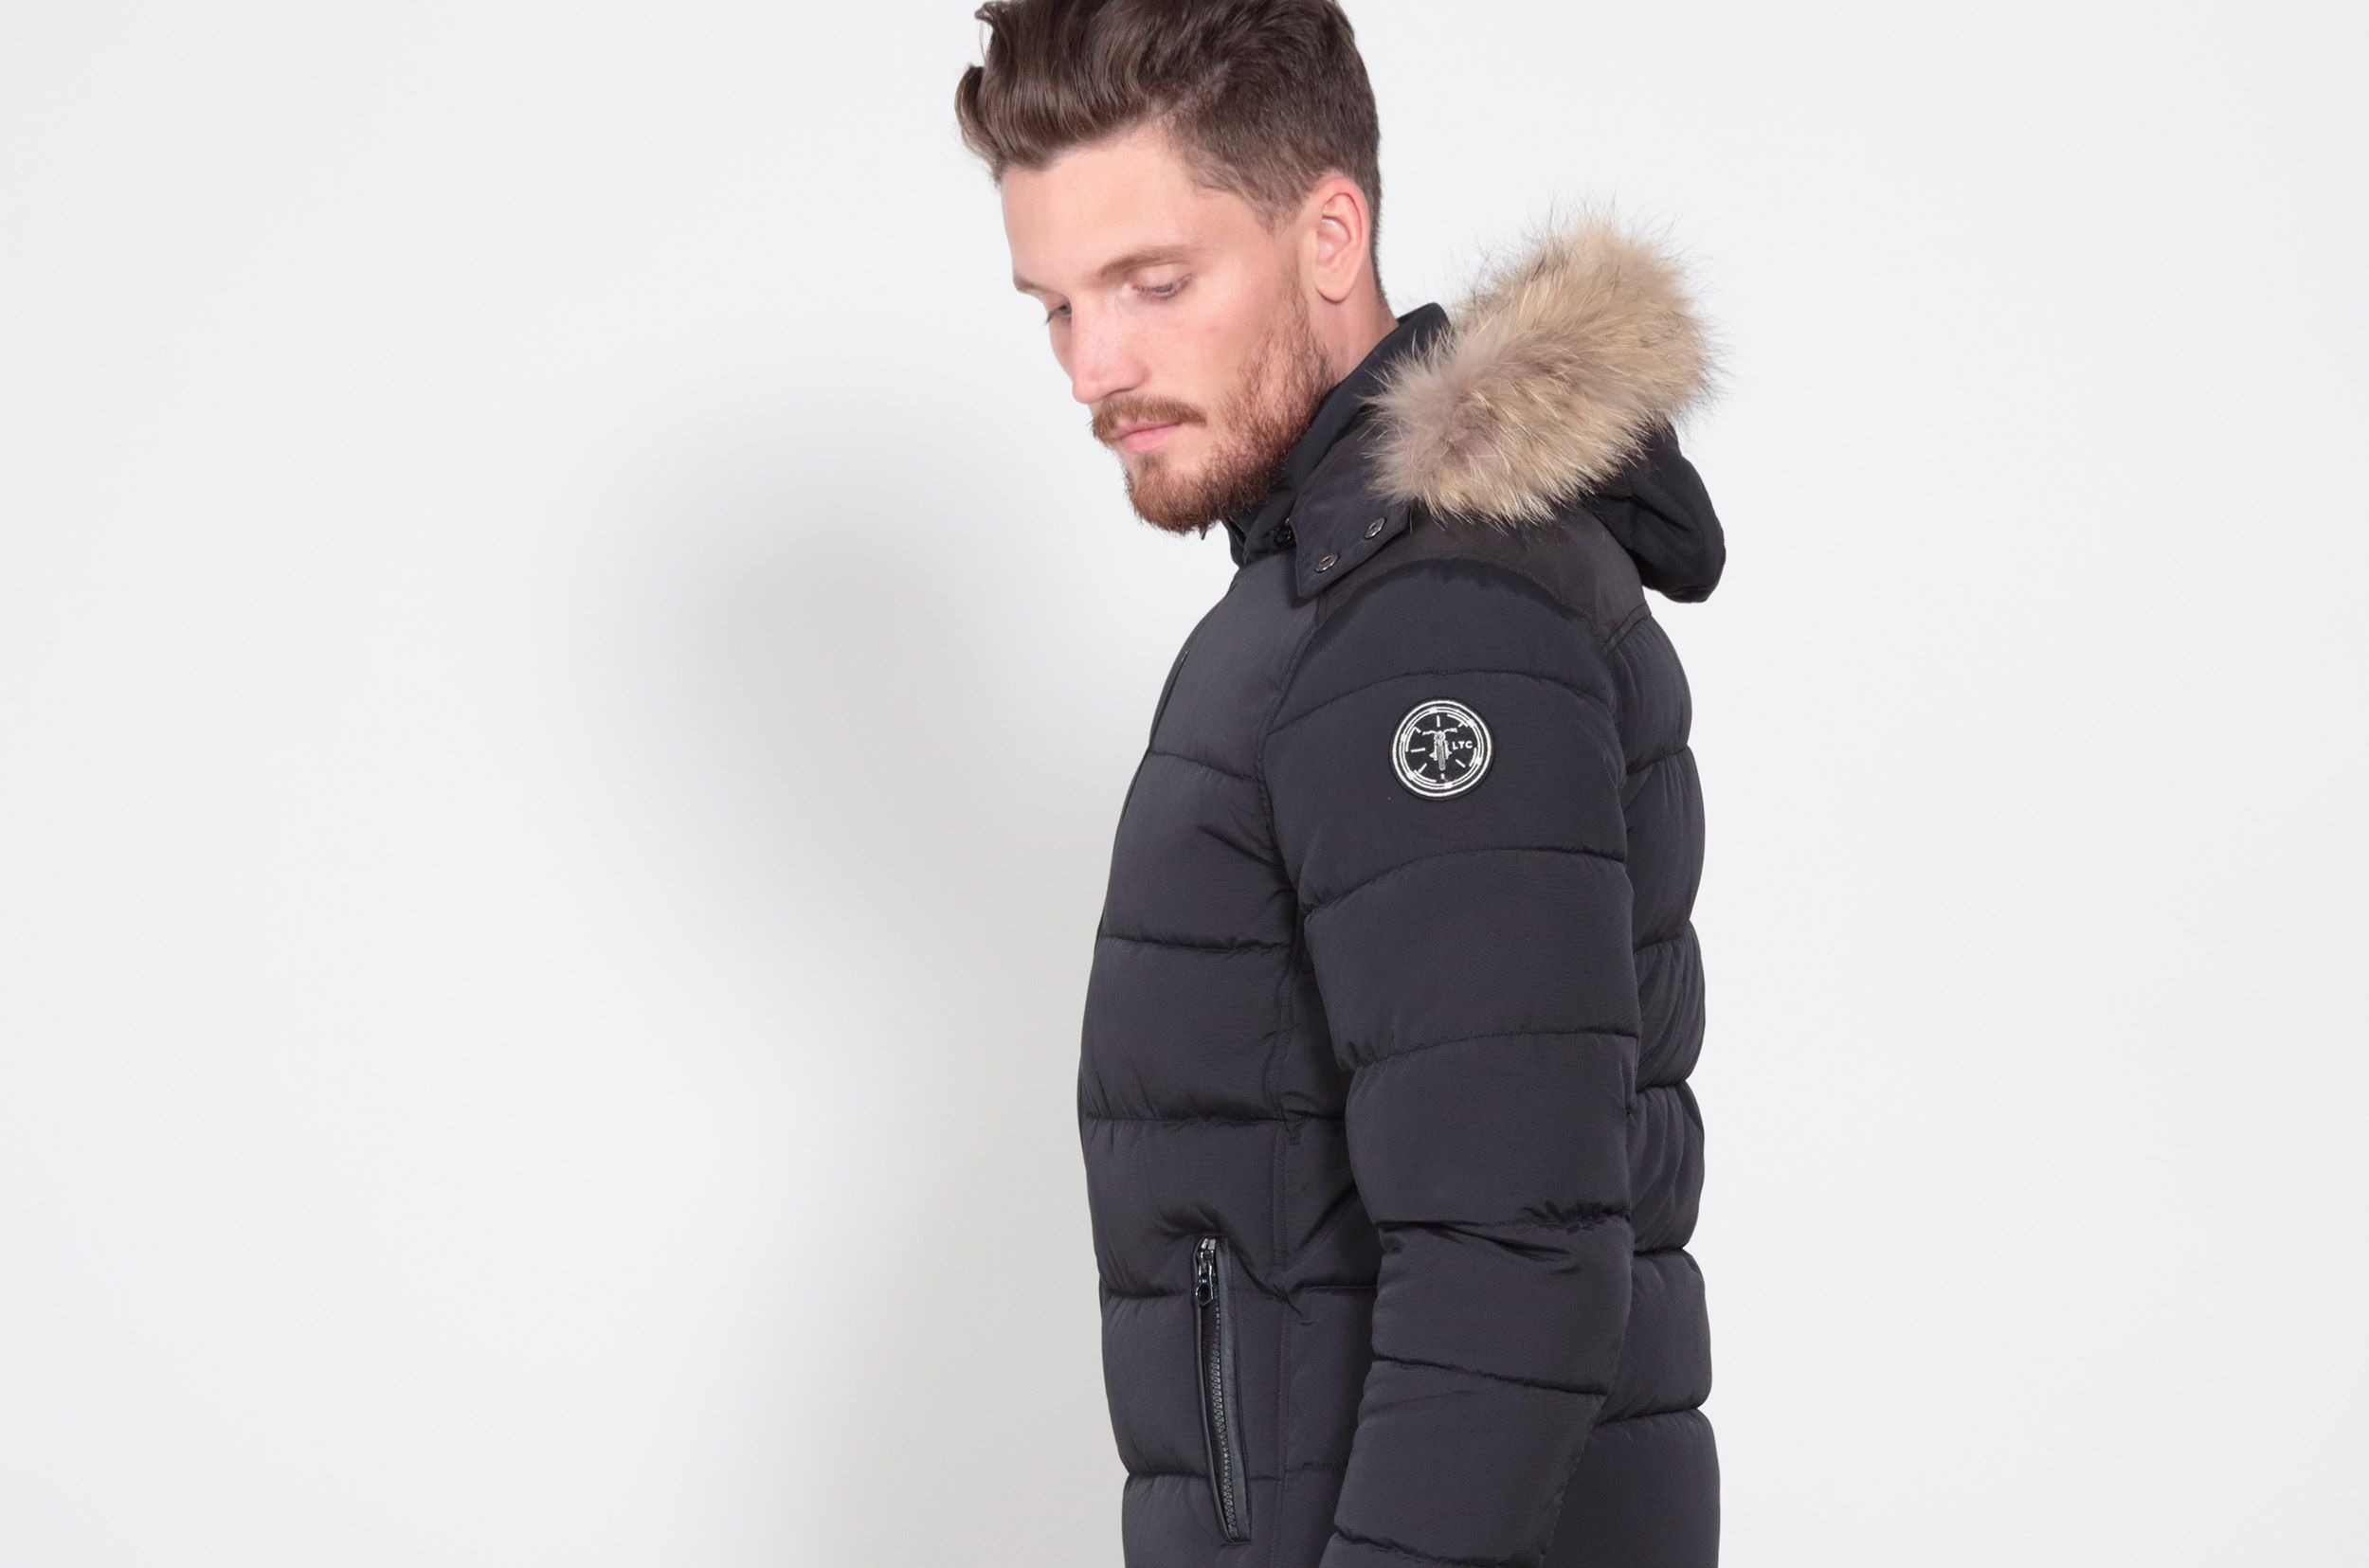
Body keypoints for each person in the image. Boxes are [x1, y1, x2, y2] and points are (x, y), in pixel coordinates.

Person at [956, 3, 1727, 1563]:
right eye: (1056, 307)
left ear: (1329, 236)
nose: (1096, 367)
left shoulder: (1432, 624)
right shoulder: (1336, 601)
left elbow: (1514, 1267)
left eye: (1154, 283)